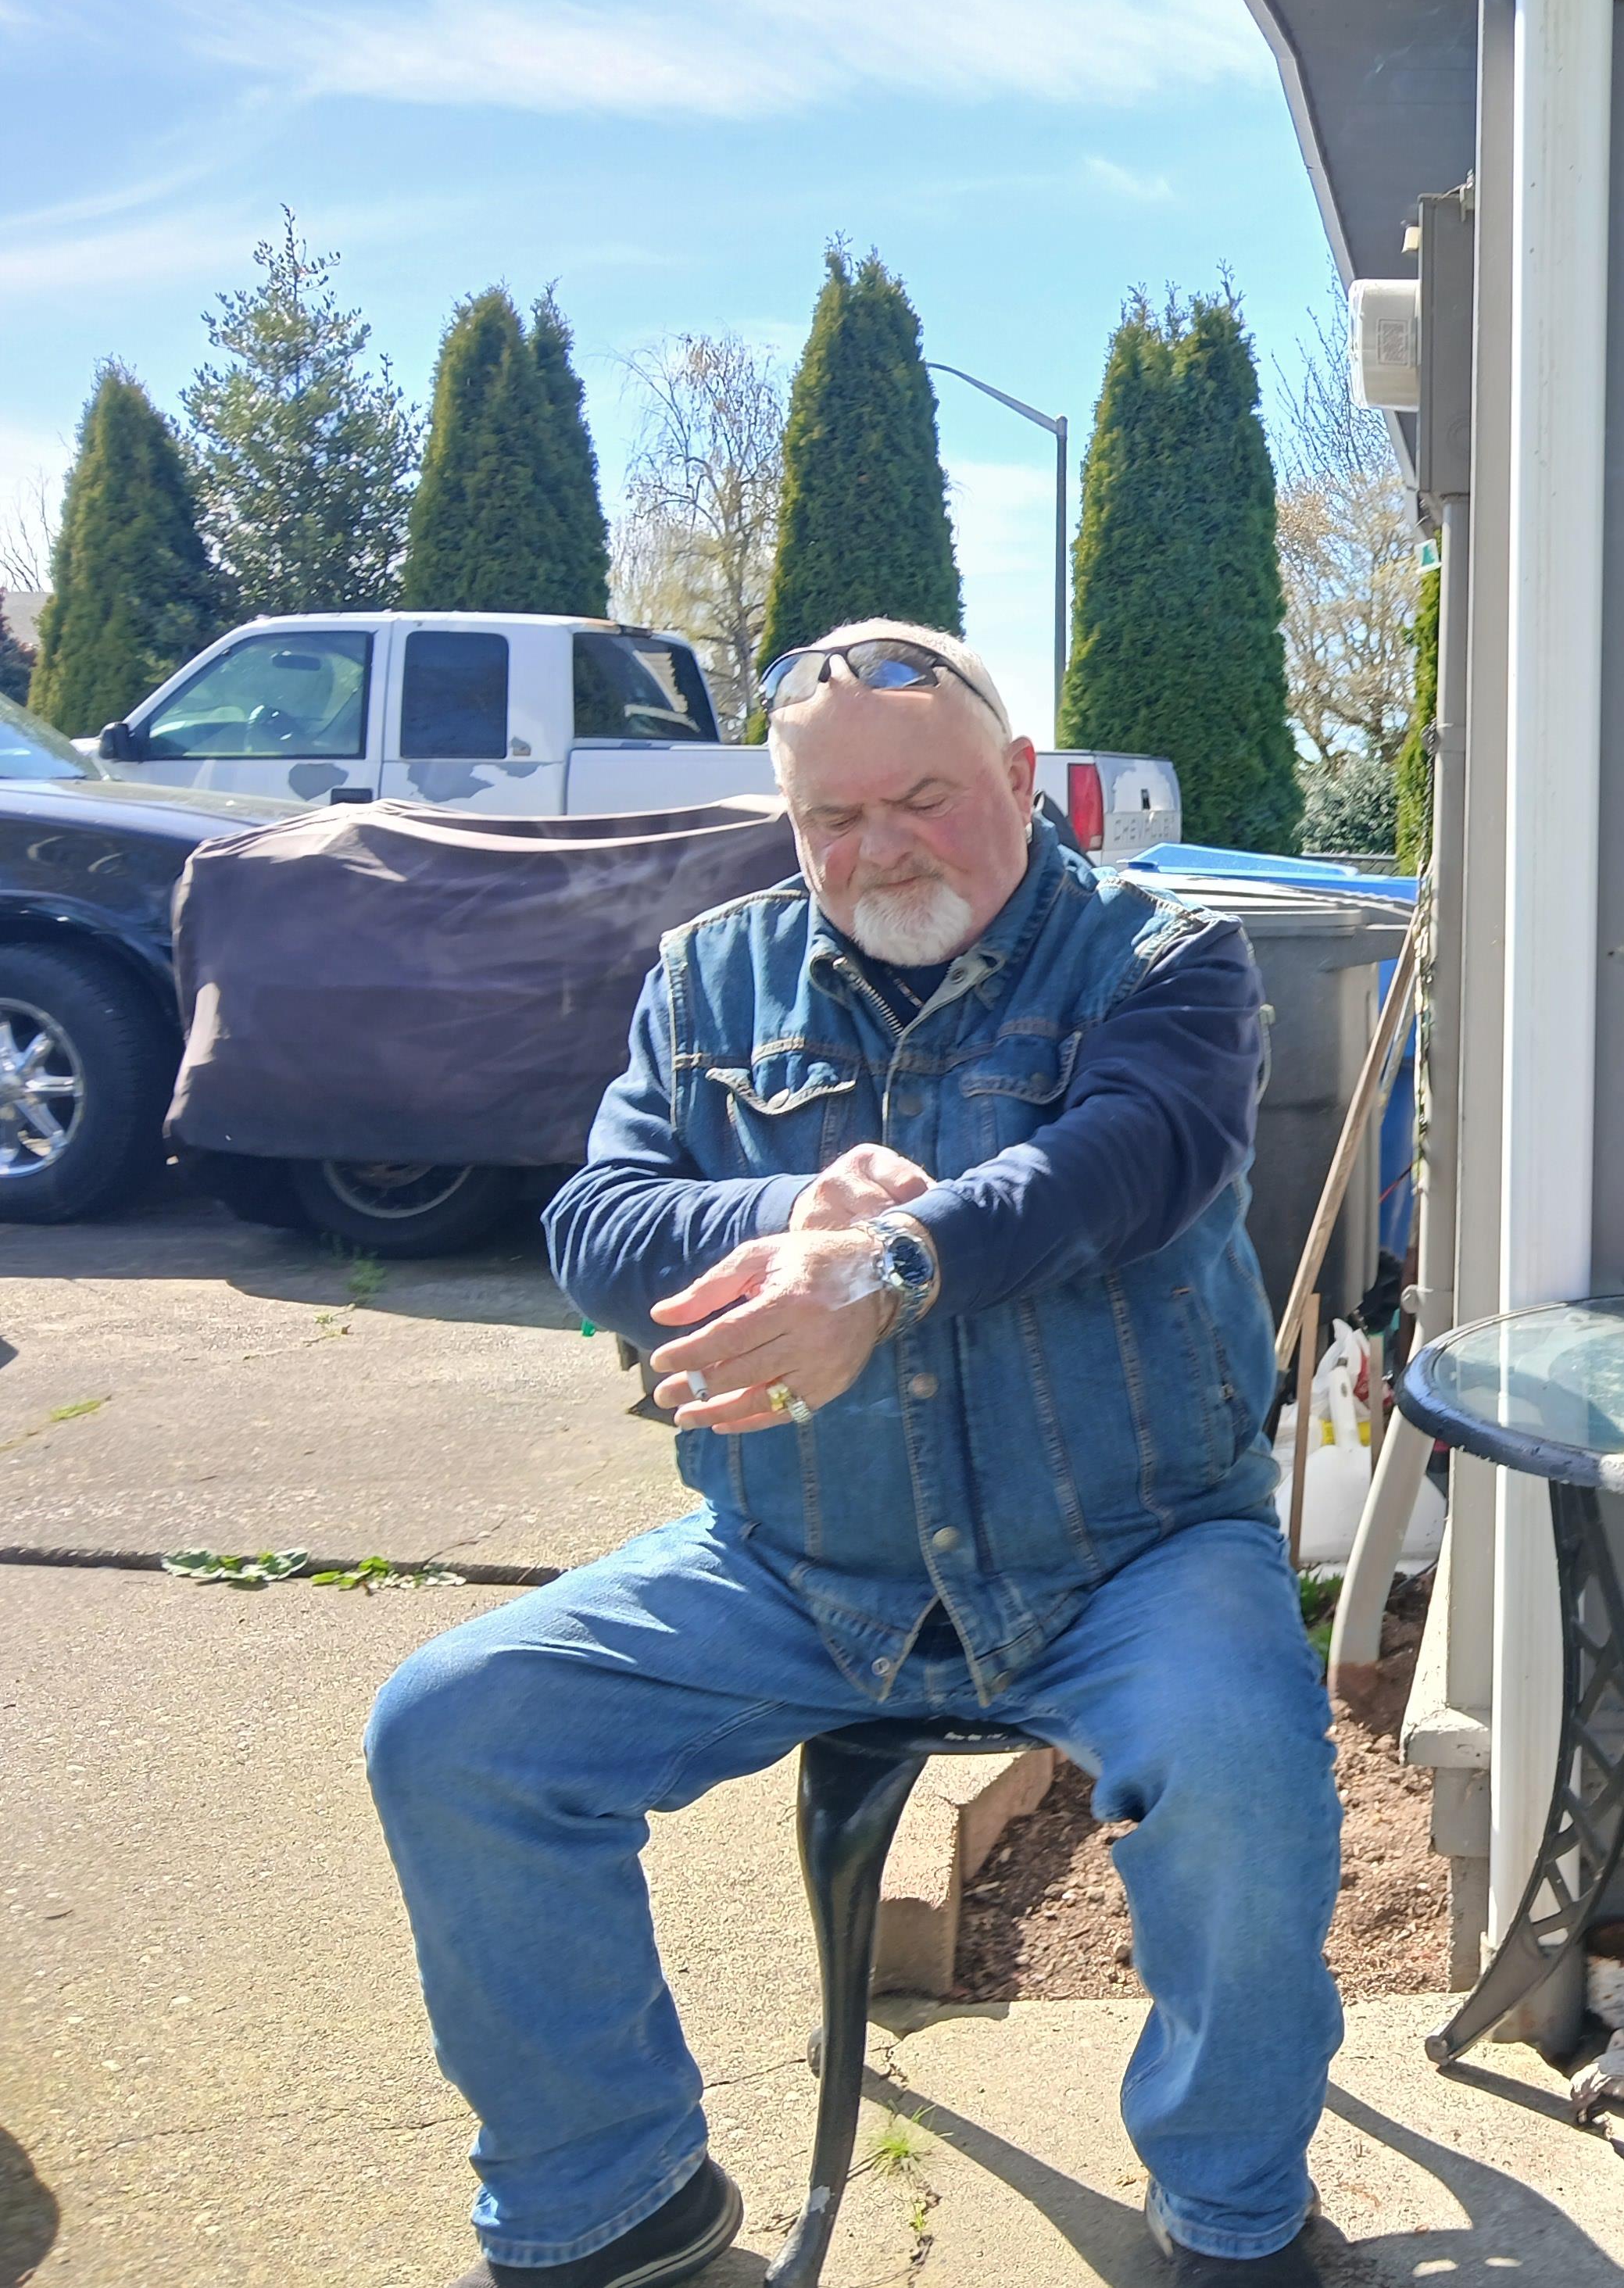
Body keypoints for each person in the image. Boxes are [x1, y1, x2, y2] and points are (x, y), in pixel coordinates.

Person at [366, 623, 1340, 2288]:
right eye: (834, 818)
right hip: (795, 1567)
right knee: (455, 1730)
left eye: (925, 799)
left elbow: (1136, 1161)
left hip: (1132, 1552)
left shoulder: (1163, 959)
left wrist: (885, 1271)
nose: (881, 848)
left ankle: (1233, 2213)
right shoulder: (709, 980)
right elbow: (596, 1225)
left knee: (1243, 1764)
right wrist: (785, 1215)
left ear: (1022, 781)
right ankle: (612, 2197)